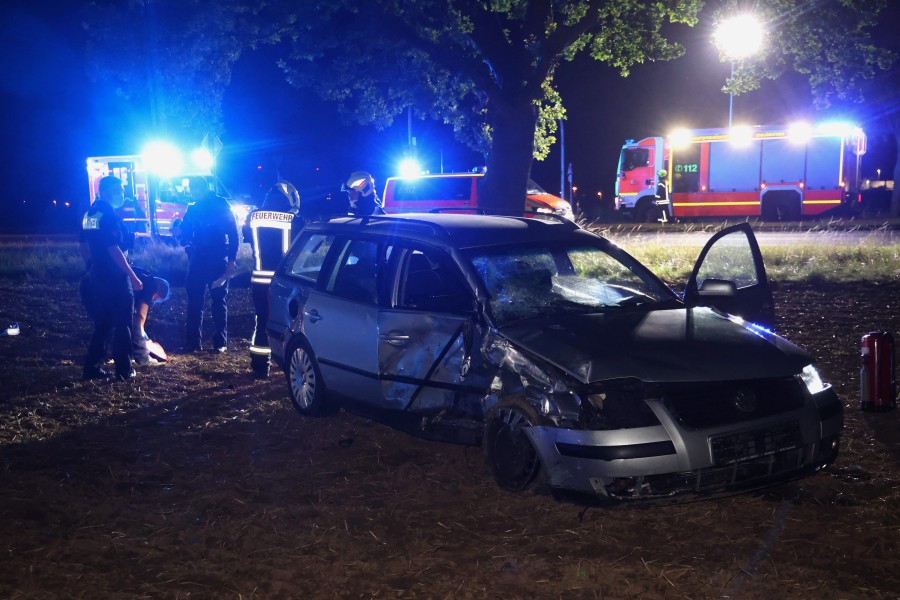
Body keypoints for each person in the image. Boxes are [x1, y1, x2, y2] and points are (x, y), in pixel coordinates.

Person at [79, 175, 144, 381]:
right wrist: (132, 276)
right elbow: (114, 248)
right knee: (123, 323)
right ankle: (125, 370)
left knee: (103, 322)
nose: (123, 193)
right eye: (119, 190)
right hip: (115, 276)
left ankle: (92, 367)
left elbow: (83, 245)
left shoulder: (90, 213)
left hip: (97, 274)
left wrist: (90, 267)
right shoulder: (108, 215)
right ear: (106, 191)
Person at [242, 180, 304, 378]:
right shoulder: (294, 220)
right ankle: (289, 364)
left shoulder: (253, 216)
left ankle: (260, 367)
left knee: (262, 322)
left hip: (259, 281)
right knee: (289, 323)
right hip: (282, 283)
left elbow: (247, 237)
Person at [178, 175, 239, 353]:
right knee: (198, 301)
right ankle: (196, 343)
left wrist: (232, 261)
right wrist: (184, 239)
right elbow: (185, 229)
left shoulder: (221, 205)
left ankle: (217, 343)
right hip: (200, 259)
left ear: (202, 189)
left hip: (216, 258)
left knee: (217, 301)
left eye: (194, 189)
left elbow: (234, 235)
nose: (192, 192)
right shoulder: (194, 208)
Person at [131, 266, 170, 366]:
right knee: (135, 323)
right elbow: (141, 315)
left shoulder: (145, 277)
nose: (153, 300)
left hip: (96, 285)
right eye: (156, 298)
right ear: (159, 291)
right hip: (109, 288)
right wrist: (142, 334)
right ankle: (143, 358)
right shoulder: (150, 285)